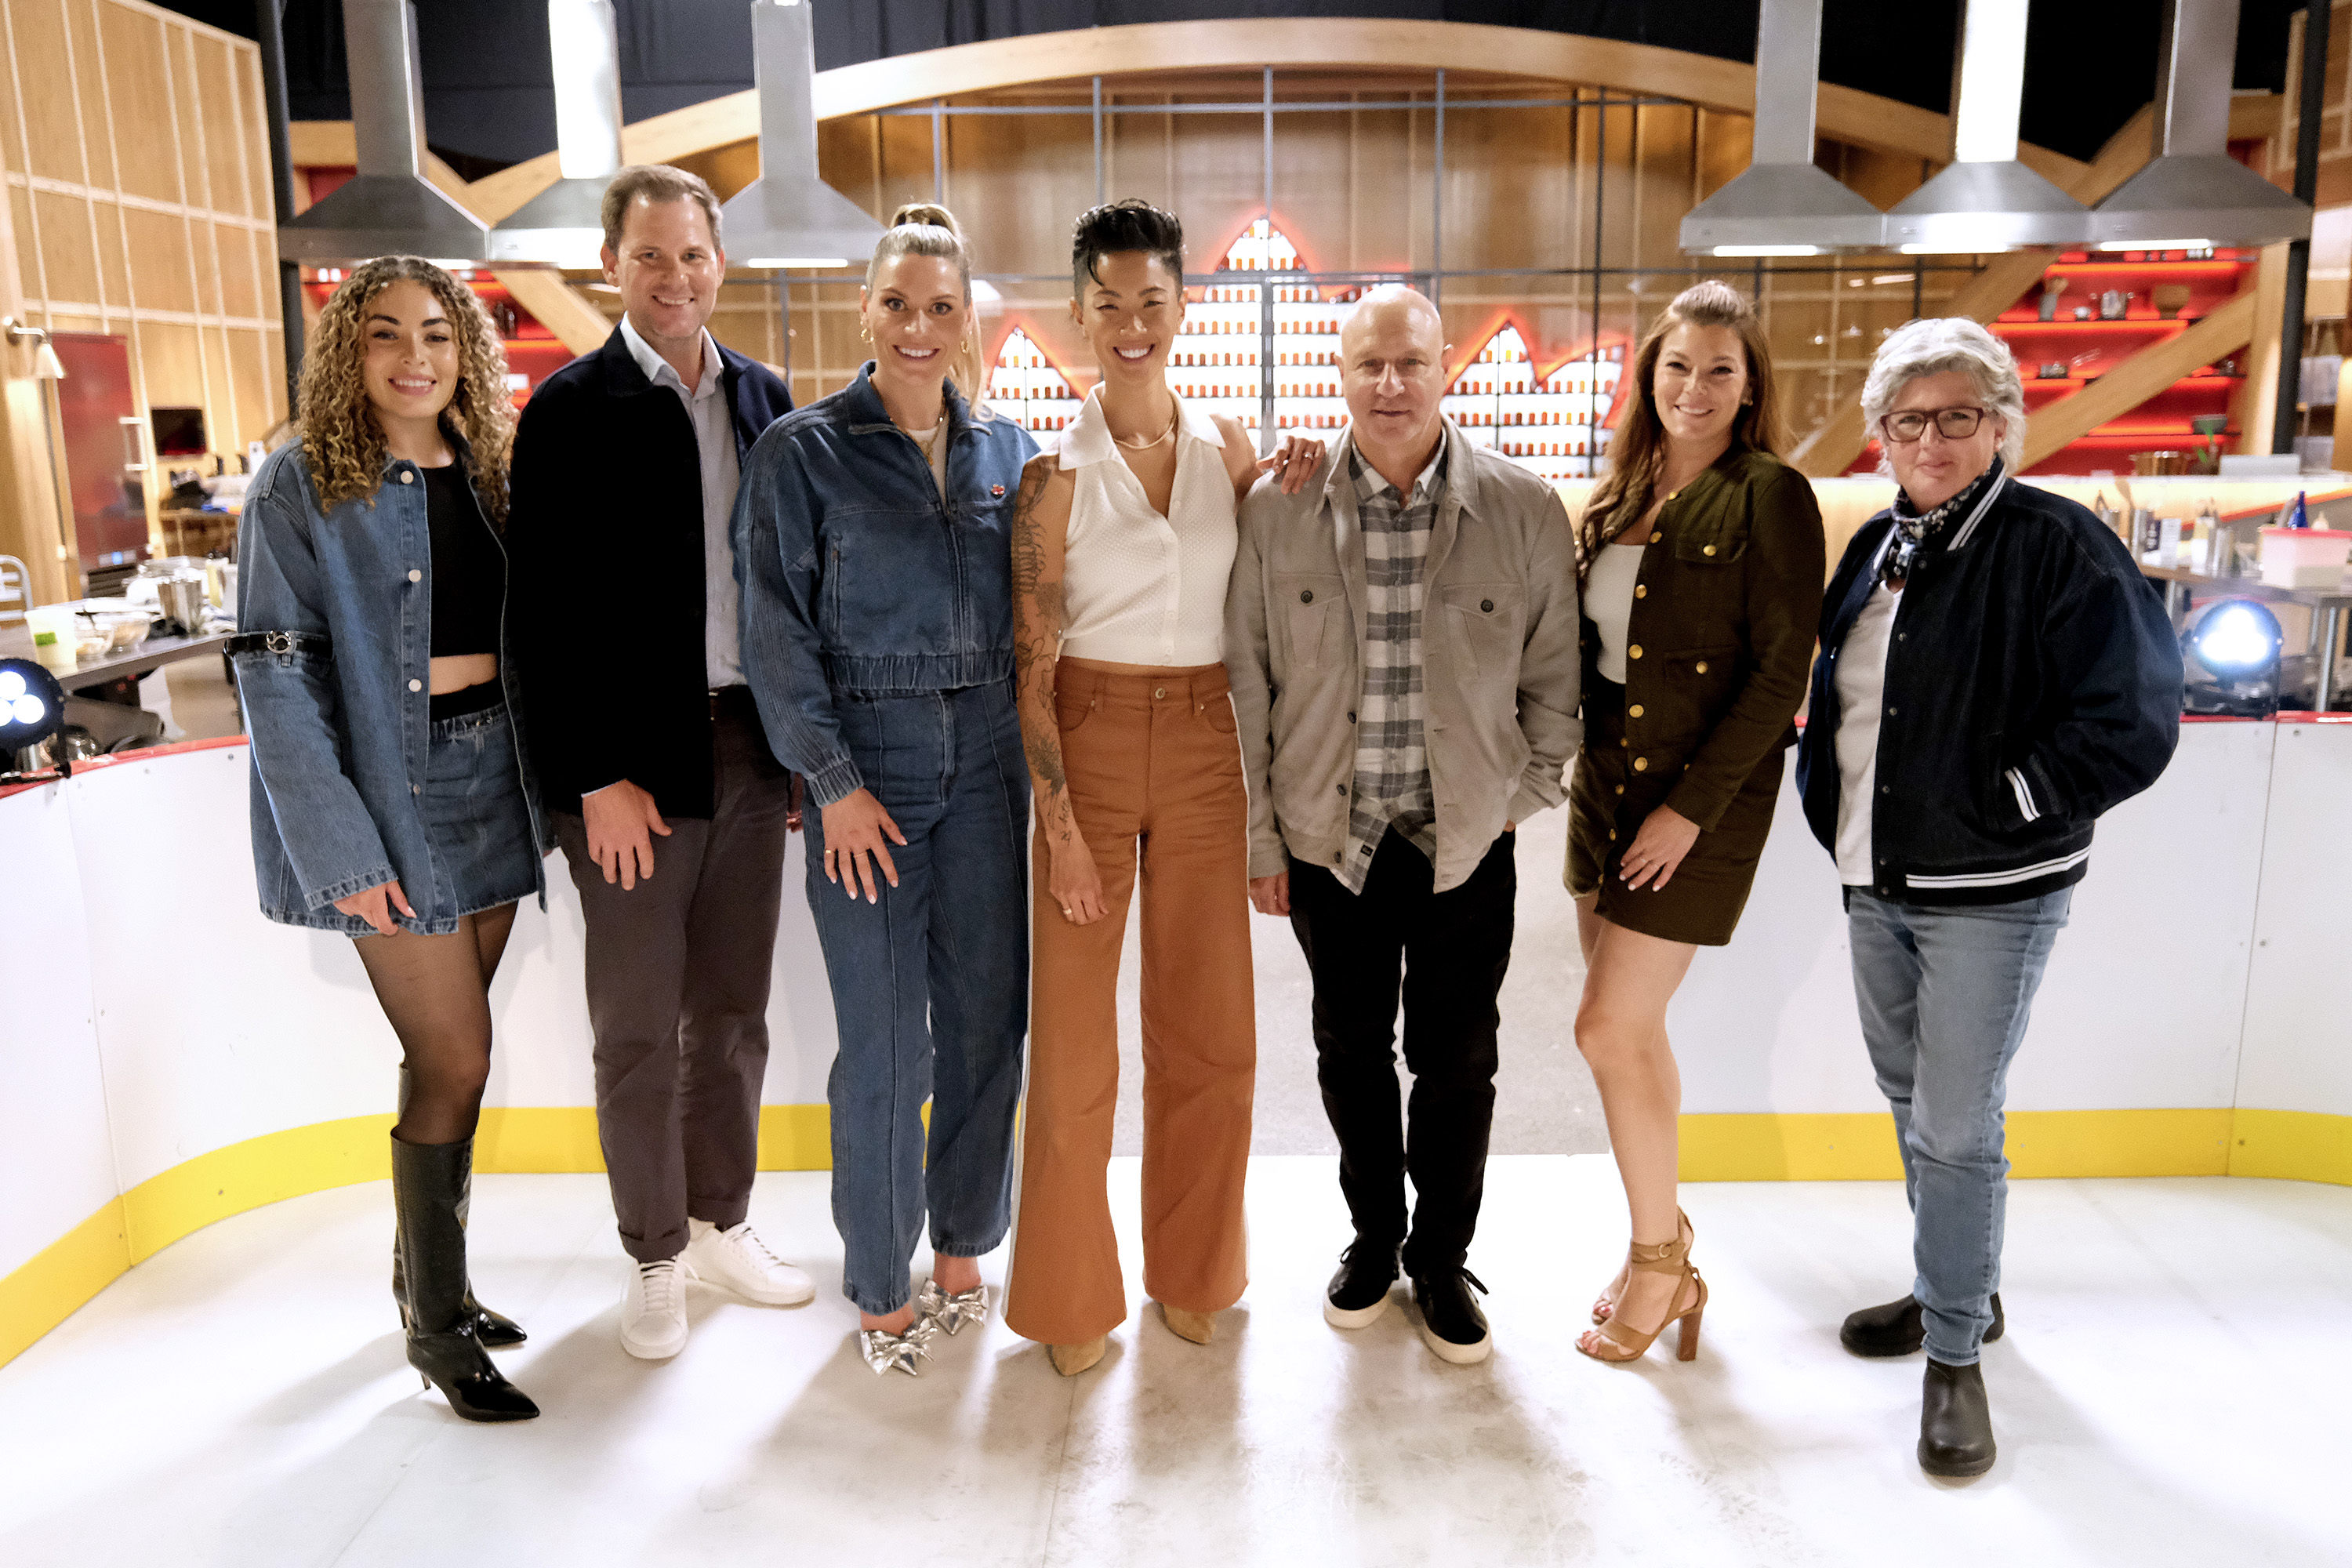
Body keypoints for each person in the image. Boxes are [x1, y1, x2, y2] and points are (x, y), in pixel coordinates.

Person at [1797, 317, 2180, 1475]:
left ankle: (1955, 1356)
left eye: (1959, 416)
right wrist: (1834, 809)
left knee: (1956, 1125)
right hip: (1880, 875)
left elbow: (2136, 718)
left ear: (2002, 424)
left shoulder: (2058, 545)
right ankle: (1953, 1284)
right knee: (1913, 1094)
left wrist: (2011, 797)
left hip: (1992, 888)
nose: (1933, 439)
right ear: (1880, 436)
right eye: (1910, 420)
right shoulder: (1875, 547)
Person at [1226, 285, 1581, 1367]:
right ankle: (1374, 1238)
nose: (1390, 385)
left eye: (1411, 364)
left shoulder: (1522, 510)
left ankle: (1441, 1256)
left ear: (1443, 371)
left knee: (1458, 1058)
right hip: (1329, 840)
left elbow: (1557, 694)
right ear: (1339, 376)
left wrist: (1508, 803)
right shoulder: (1278, 508)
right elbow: (1246, 684)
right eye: (1369, 365)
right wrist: (1260, 839)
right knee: (1348, 1051)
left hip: (1467, 841)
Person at [1003, 200, 1323, 1377]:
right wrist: (1063, 827)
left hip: (1203, 743)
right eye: (1109, 302)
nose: (1132, 322)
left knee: (1212, 1037)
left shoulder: (1228, 450)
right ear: (1079, 315)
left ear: (1183, 309)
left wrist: (1297, 481)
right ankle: (1072, 1295)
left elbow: (1270, 586)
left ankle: (1196, 1272)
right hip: (1084, 738)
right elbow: (1030, 667)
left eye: (1153, 299)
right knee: (1078, 1049)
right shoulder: (1051, 478)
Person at [233, 256, 546, 1421]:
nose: (414, 356)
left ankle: (432, 1275)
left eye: (437, 332)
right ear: (346, 354)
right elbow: (275, 677)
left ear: (465, 349)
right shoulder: (300, 483)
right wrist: (345, 855)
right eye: (384, 335)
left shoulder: (494, 471)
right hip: (392, 795)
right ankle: (436, 1329)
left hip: (495, 776)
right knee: (459, 1060)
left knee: (444, 1061)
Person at [508, 165, 808, 1363]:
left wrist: (795, 753)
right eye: (649, 257)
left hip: (749, 751)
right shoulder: (570, 410)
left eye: (691, 255)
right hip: (628, 774)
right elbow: (541, 622)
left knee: (731, 1014)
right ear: (611, 266)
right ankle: (652, 1255)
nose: (673, 277)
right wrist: (591, 778)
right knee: (636, 1025)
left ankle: (721, 1220)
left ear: (719, 263)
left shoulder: (767, 399)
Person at [737, 204, 1038, 1377]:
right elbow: (775, 634)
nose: (920, 325)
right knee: (882, 1041)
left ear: (970, 322)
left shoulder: (1010, 453)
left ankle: (964, 1244)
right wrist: (835, 782)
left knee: (984, 1021)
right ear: (864, 310)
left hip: (993, 764)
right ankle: (875, 1278)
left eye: (942, 306)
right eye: (899, 303)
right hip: (870, 769)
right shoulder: (802, 453)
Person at [1566, 281, 1824, 1367]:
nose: (1697, 387)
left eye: (1721, 368)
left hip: (1692, 809)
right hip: (1604, 795)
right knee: (1633, 1038)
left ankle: (1662, 1263)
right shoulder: (1621, 489)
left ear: (1752, 382)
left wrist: (1686, 811)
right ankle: (1663, 1249)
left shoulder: (1772, 495)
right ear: (1650, 375)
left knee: (1605, 1029)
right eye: (1678, 366)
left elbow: (1779, 678)